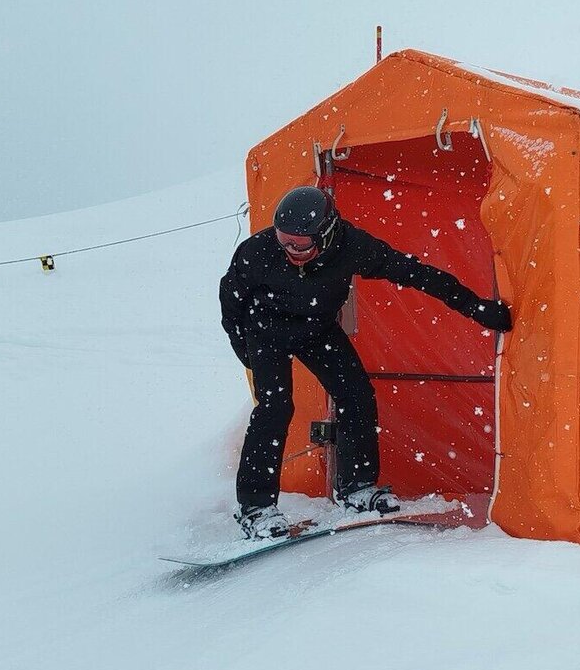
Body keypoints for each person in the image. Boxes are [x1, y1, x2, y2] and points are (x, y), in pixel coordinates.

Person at [219, 185, 513, 539]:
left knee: (356, 394)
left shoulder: (351, 247)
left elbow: (415, 273)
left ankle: (356, 488)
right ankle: (256, 508)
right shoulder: (258, 251)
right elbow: (231, 300)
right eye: (284, 241)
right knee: (275, 406)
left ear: (326, 234)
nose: (290, 251)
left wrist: (475, 308)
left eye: (299, 245)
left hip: (317, 328)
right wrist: (245, 350)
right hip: (266, 329)